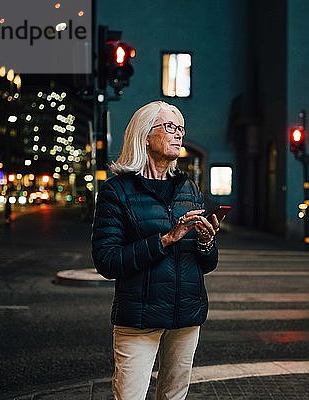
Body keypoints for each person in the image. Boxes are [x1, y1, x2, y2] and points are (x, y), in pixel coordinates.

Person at [92, 101, 222, 400]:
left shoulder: (188, 187)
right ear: (145, 134)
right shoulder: (117, 191)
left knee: (174, 396)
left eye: (182, 129)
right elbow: (107, 261)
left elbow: (207, 263)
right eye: (170, 127)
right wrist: (165, 239)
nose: (179, 135)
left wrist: (206, 241)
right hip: (139, 317)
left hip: (186, 315)